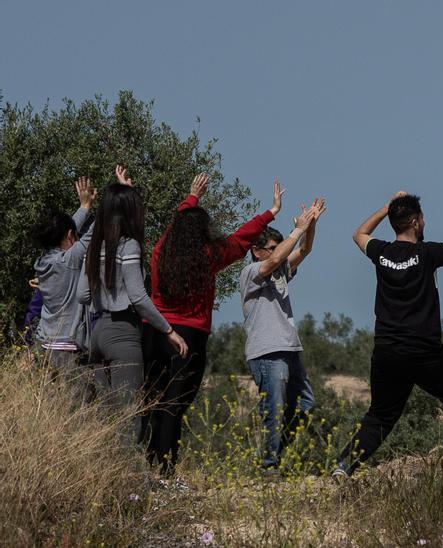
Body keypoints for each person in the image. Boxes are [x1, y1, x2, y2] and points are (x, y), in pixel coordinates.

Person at [334, 181, 443, 477]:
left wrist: (387, 207)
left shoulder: (381, 253)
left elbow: (358, 234)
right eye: (422, 217)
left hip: (387, 352)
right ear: (415, 222)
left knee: (380, 415)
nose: (425, 221)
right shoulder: (429, 254)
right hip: (425, 352)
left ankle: (343, 467)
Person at [141, 175, 283, 473]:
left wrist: (191, 198)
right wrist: (269, 213)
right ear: (202, 232)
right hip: (190, 337)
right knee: (175, 406)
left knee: (152, 402)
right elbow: (242, 238)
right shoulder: (209, 255)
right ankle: (164, 472)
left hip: (154, 332)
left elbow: (172, 230)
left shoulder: (159, 253)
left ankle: (147, 466)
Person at [80, 166, 188, 442]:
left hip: (97, 333)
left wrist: (122, 189)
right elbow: (139, 297)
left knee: (104, 416)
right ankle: (131, 480)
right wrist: (169, 331)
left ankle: (107, 479)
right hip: (123, 333)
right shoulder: (129, 247)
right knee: (128, 416)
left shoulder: (95, 247)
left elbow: (83, 295)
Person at [240, 196, 326, 475]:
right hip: (266, 352)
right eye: (273, 248)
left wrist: (309, 225)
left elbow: (305, 249)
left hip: (289, 348)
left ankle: (274, 454)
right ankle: (268, 466)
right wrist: (297, 229)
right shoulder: (252, 272)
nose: (279, 253)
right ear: (256, 251)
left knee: (305, 404)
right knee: (274, 409)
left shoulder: (279, 270)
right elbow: (277, 259)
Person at [30, 176, 96, 390]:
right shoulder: (69, 259)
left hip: (45, 345)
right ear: (70, 236)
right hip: (67, 347)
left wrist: (84, 207)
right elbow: (97, 230)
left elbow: (67, 232)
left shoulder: (44, 261)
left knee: (51, 405)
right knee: (74, 406)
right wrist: (121, 195)